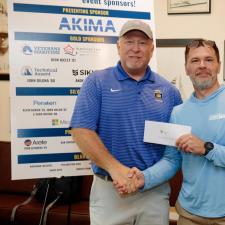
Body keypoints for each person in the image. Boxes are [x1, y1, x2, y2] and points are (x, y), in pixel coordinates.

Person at [70, 19, 182, 225]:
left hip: (154, 193)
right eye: (129, 41)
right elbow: (81, 130)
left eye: (142, 43)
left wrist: (145, 178)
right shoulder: (96, 82)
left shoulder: (170, 92)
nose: (136, 49)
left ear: (152, 49)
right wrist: (117, 170)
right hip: (110, 191)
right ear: (118, 46)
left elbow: (173, 152)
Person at [123, 39, 225, 225]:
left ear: (219, 65)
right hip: (188, 214)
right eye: (194, 61)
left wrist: (206, 148)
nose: (202, 66)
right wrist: (144, 178)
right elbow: (172, 160)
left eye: (209, 60)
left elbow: (206, 149)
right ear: (186, 68)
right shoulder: (179, 112)